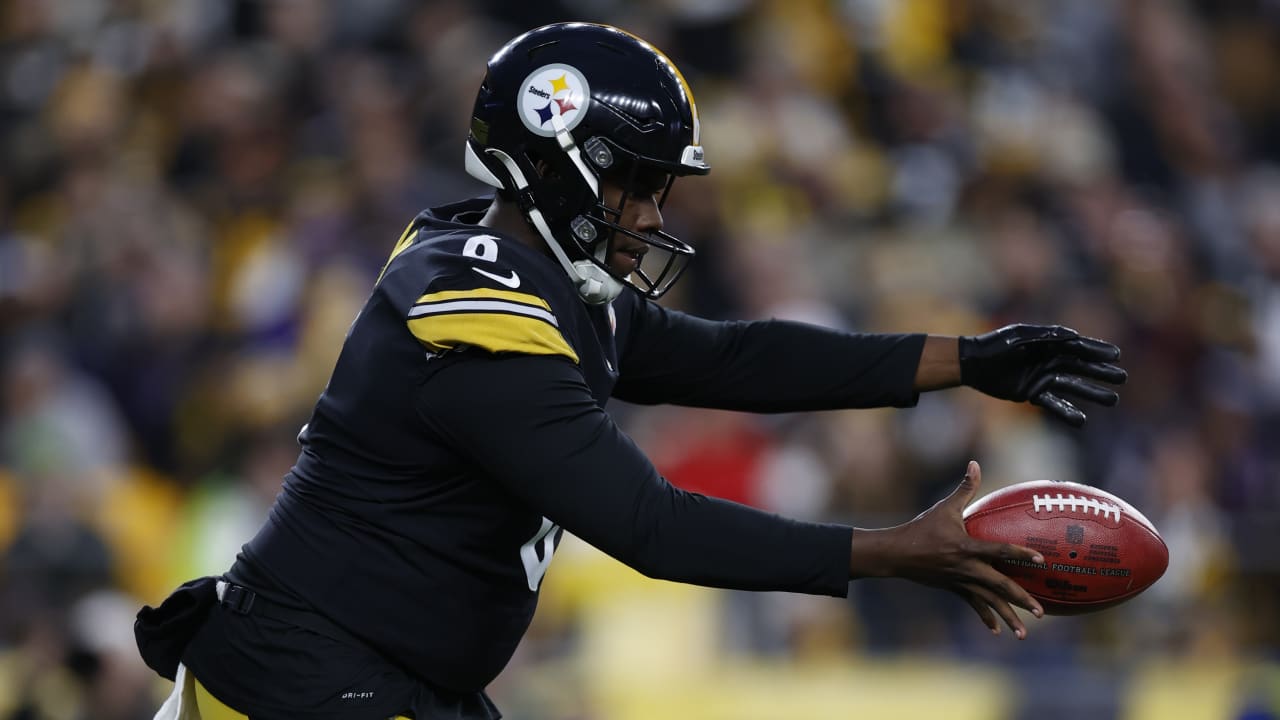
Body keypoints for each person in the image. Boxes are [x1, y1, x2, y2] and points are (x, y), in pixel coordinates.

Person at [135, 22, 1128, 720]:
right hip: (304, 682)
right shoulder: (479, 318)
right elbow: (649, 525)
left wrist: (971, 360)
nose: (649, 215)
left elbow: (733, 357)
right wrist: (887, 552)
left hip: (371, 677)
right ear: (555, 159)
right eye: (634, 185)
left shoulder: (530, 273)